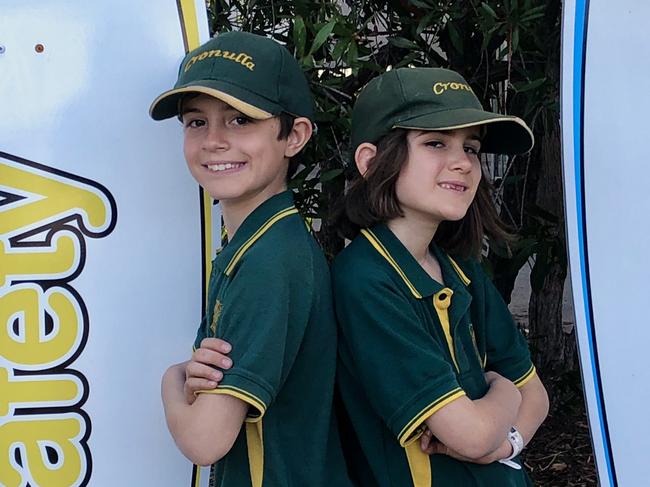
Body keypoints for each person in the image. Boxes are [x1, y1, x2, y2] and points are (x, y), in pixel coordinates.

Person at [150, 31, 352, 487]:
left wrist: (170, 379)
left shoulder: (269, 262)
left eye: (241, 120)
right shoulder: (258, 243)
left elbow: (204, 440)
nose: (215, 141)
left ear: (294, 136)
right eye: (196, 122)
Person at [331, 67, 549, 486]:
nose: (463, 164)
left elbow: (536, 397)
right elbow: (469, 435)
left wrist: (507, 444)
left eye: (471, 147)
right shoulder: (366, 279)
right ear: (371, 161)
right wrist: (503, 390)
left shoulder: (460, 267)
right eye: (435, 142)